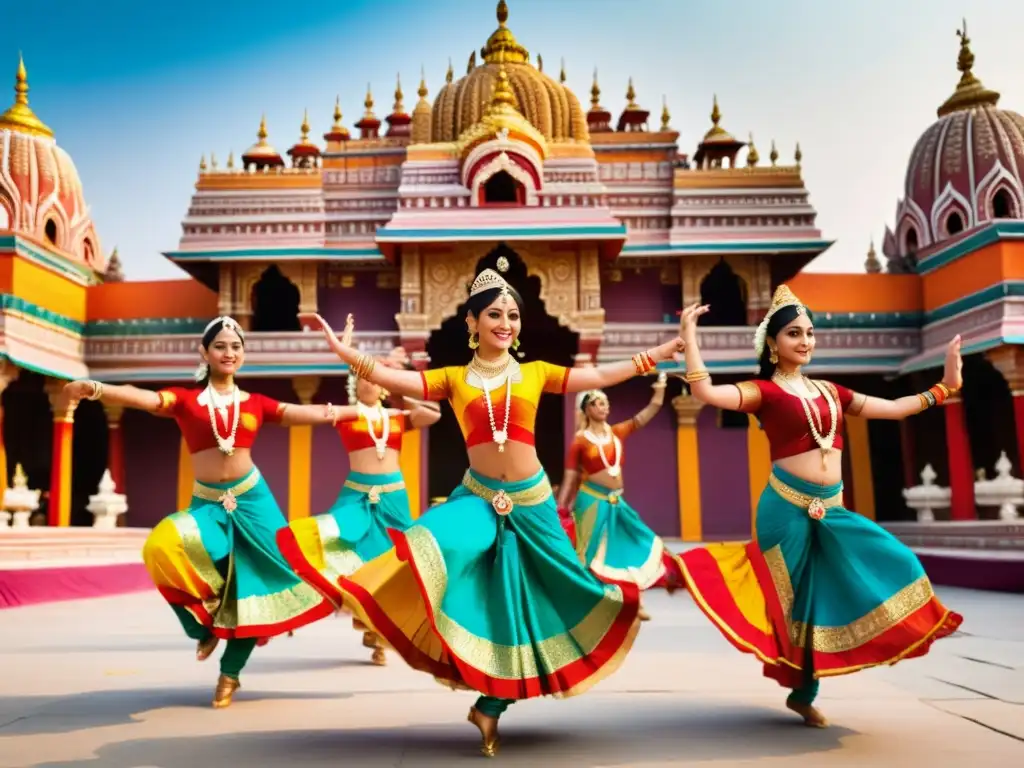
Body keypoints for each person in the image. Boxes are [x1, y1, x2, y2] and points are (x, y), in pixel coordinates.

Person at [296, 260, 685, 757]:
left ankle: (490, 706)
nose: (506, 323)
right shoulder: (454, 378)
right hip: (479, 497)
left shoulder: (537, 373)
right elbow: (401, 380)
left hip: (533, 502)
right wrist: (344, 353)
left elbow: (602, 372)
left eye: (513, 315)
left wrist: (660, 353)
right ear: (473, 322)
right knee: (429, 543)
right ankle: (373, 602)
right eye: (496, 314)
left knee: (544, 599)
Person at [675, 285, 964, 728]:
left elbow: (893, 408)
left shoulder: (832, 392)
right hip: (784, 510)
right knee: (795, 608)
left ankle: (891, 636)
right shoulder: (763, 392)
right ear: (773, 343)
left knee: (894, 561)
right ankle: (803, 692)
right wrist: (690, 340)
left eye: (810, 333)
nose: (805, 341)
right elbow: (709, 396)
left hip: (833, 510)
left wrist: (943, 388)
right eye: (794, 333)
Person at [63, 317, 358, 708]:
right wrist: (96, 389)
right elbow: (143, 397)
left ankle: (230, 675)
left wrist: (365, 410)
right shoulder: (186, 401)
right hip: (208, 502)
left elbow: (307, 414)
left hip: (254, 503)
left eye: (236, 346)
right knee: (160, 546)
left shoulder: (255, 403)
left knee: (254, 590)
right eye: (220, 346)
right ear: (204, 352)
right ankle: (198, 628)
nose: (229, 352)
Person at [277, 321, 441, 665]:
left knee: (389, 564)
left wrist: (399, 385)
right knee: (332, 543)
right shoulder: (349, 416)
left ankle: (376, 634)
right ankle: (298, 598)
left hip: (394, 499)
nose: (369, 383)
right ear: (355, 384)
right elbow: (325, 413)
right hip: (356, 496)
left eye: (374, 379)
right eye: (363, 378)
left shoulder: (398, 416)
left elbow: (433, 414)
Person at [556, 374, 685, 621]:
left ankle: (636, 601)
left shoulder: (617, 433)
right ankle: (587, 604)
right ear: (587, 409)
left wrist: (659, 391)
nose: (604, 407)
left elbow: (646, 414)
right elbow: (570, 476)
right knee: (590, 552)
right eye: (598, 403)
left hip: (616, 501)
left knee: (635, 543)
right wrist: (562, 507)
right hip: (591, 502)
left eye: (606, 403)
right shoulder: (580, 442)